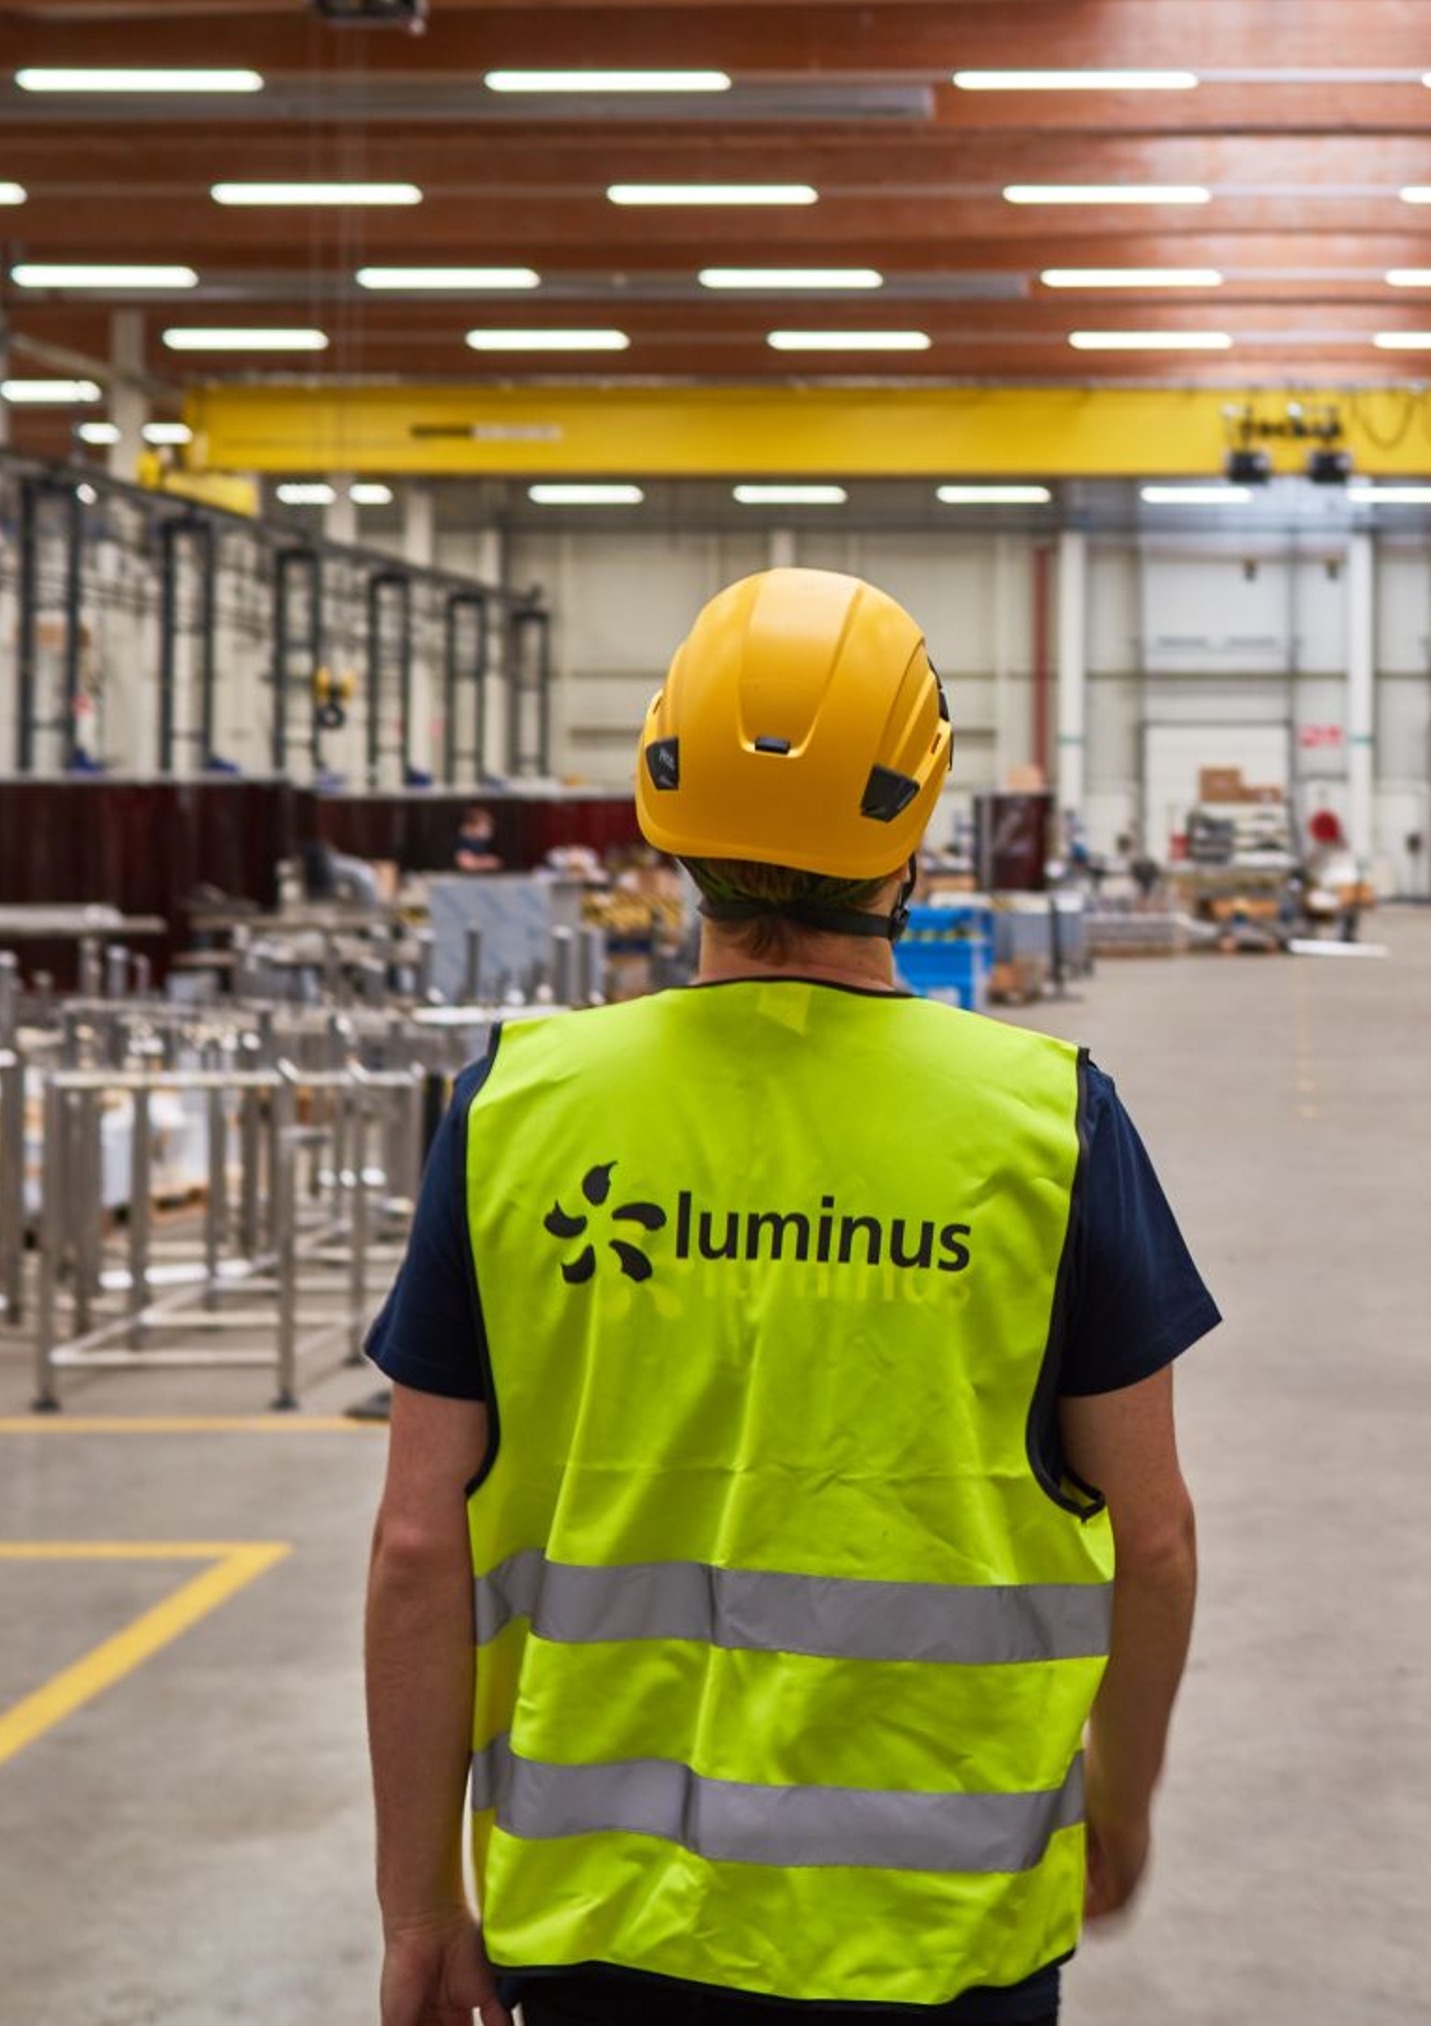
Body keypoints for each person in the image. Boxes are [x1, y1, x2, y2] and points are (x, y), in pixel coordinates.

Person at [363, 567, 1220, 2026]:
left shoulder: (518, 1110)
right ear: (916, 816)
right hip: (942, 1932)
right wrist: (1120, 1802)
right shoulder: (1048, 1124)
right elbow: (1155, 1542)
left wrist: (417, 1904)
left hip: (603, 1928)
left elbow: (414, 1550)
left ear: (662, 797)